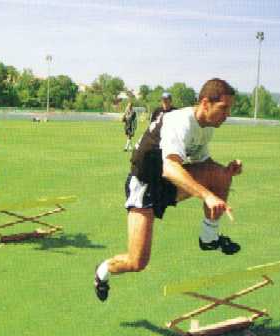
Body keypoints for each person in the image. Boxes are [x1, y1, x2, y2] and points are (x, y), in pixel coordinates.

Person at [94, 78, 243, 301]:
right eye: (223, 108)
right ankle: (102, 271)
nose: (227, 114)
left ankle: (209, 238)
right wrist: (206, 195)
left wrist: (226, 171)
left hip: (167, 183)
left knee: (220, 173)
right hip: (144, 184)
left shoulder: (206, 128)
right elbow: (170, 168)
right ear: (205, 103)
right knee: (137, 262)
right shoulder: (180, 121)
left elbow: (203, 163)